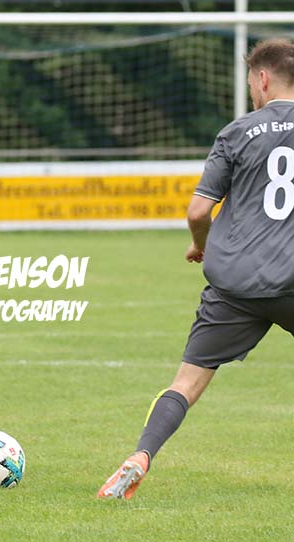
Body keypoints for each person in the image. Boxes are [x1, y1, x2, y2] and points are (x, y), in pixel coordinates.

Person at [98, 38, 294, 500]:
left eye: (251, 83)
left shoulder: (237, 131)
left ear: (263, 78)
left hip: (234, 285)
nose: (252, 91)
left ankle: (140, 455)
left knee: (185, 384)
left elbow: (198, 212)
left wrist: (200, 245)